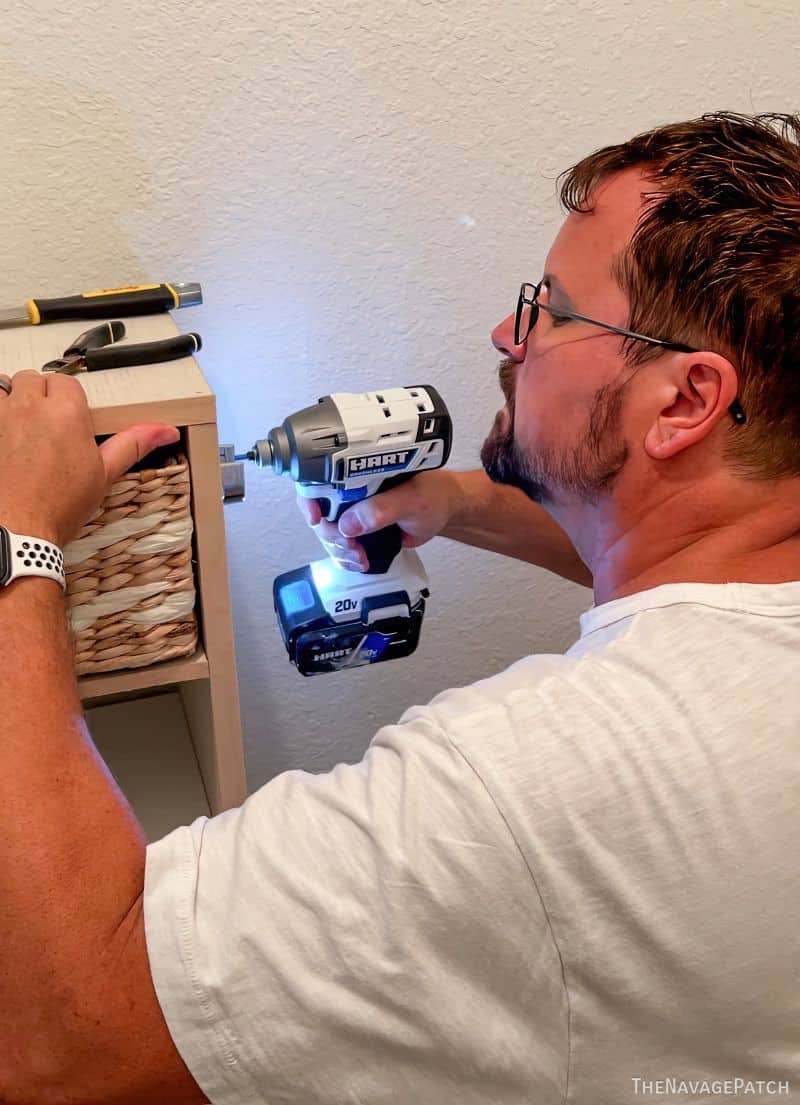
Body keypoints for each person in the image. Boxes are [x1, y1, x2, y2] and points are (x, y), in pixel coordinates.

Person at [2, 110, 799, 1105]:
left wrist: (19, 538)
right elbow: (675, 549)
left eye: (549, 309)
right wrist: (452, 502)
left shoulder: (532, 787)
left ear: (684, 401)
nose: (506, 333)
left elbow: (66, 1041)